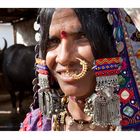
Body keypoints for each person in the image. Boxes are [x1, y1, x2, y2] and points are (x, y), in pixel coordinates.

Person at [20, 8, 140, 131]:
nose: (63, 58)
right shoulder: (34, 126)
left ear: (112, 44)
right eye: (53, 41)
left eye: (83, 36)